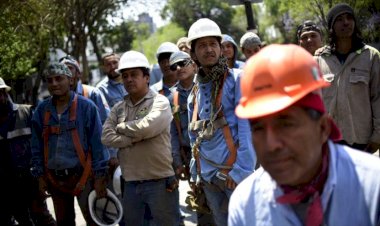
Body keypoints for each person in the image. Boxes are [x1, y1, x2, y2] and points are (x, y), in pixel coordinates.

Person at [228, 44, 380, 226]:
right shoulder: (246, 203)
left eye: (286, 124)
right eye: (258, 128)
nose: (271, 144)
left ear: (323, 128)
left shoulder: (373, 187)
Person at [187, 18, 256, 226]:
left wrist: (241, 171)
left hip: (232, 173)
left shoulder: (237, 79)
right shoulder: (196, 89)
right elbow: (193, 135)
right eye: (202, 45)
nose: (209, 49)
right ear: (193, 54)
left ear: (221, 48)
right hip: (208, 175)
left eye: (213, 44)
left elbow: (247, 129)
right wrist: (196, 170)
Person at [101, 50, 180, 226]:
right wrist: (130, 139)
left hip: (159, 181)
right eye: (125, 75)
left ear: (146, 77)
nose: (129, 79)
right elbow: (106, 136)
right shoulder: (118, 108)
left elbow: (146, 128)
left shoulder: (159, 102)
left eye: (134, 74)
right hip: (130, 183)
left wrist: (121, 128)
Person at [30, 63, 109, 226]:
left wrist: (100, 176)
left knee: (94, 221)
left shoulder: (87, 108)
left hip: (84, 177)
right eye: (50, 80)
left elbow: (98, 144)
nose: (54, 84)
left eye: (59, 79)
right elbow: (36, 146)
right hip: (55, 179)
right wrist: (39, 176)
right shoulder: (41, 111)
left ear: (71, 80)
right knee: (64, 222)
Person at [314, 3, 380, 153]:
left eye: (349, 18)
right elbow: (313, 102)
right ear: (331, 26)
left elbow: (378, 98)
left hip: (361, 140)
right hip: (329, 140)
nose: (346, 22)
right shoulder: (320, 59)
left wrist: (378, 136)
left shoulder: (371, 56)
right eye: (340, 19)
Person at [0, 77, 56, 226]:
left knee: (44, 220)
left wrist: (44, 177)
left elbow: (44, 146)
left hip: (31, 182)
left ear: (5, 94)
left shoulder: (26, 113)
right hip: (6, 189)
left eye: (0, 93)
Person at [59, 55, 109, 123]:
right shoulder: (56, 98)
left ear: (78, 73)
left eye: (69, 68)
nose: (66, 72)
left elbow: (106, 121)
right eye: (62, 68)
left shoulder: (93, 93)